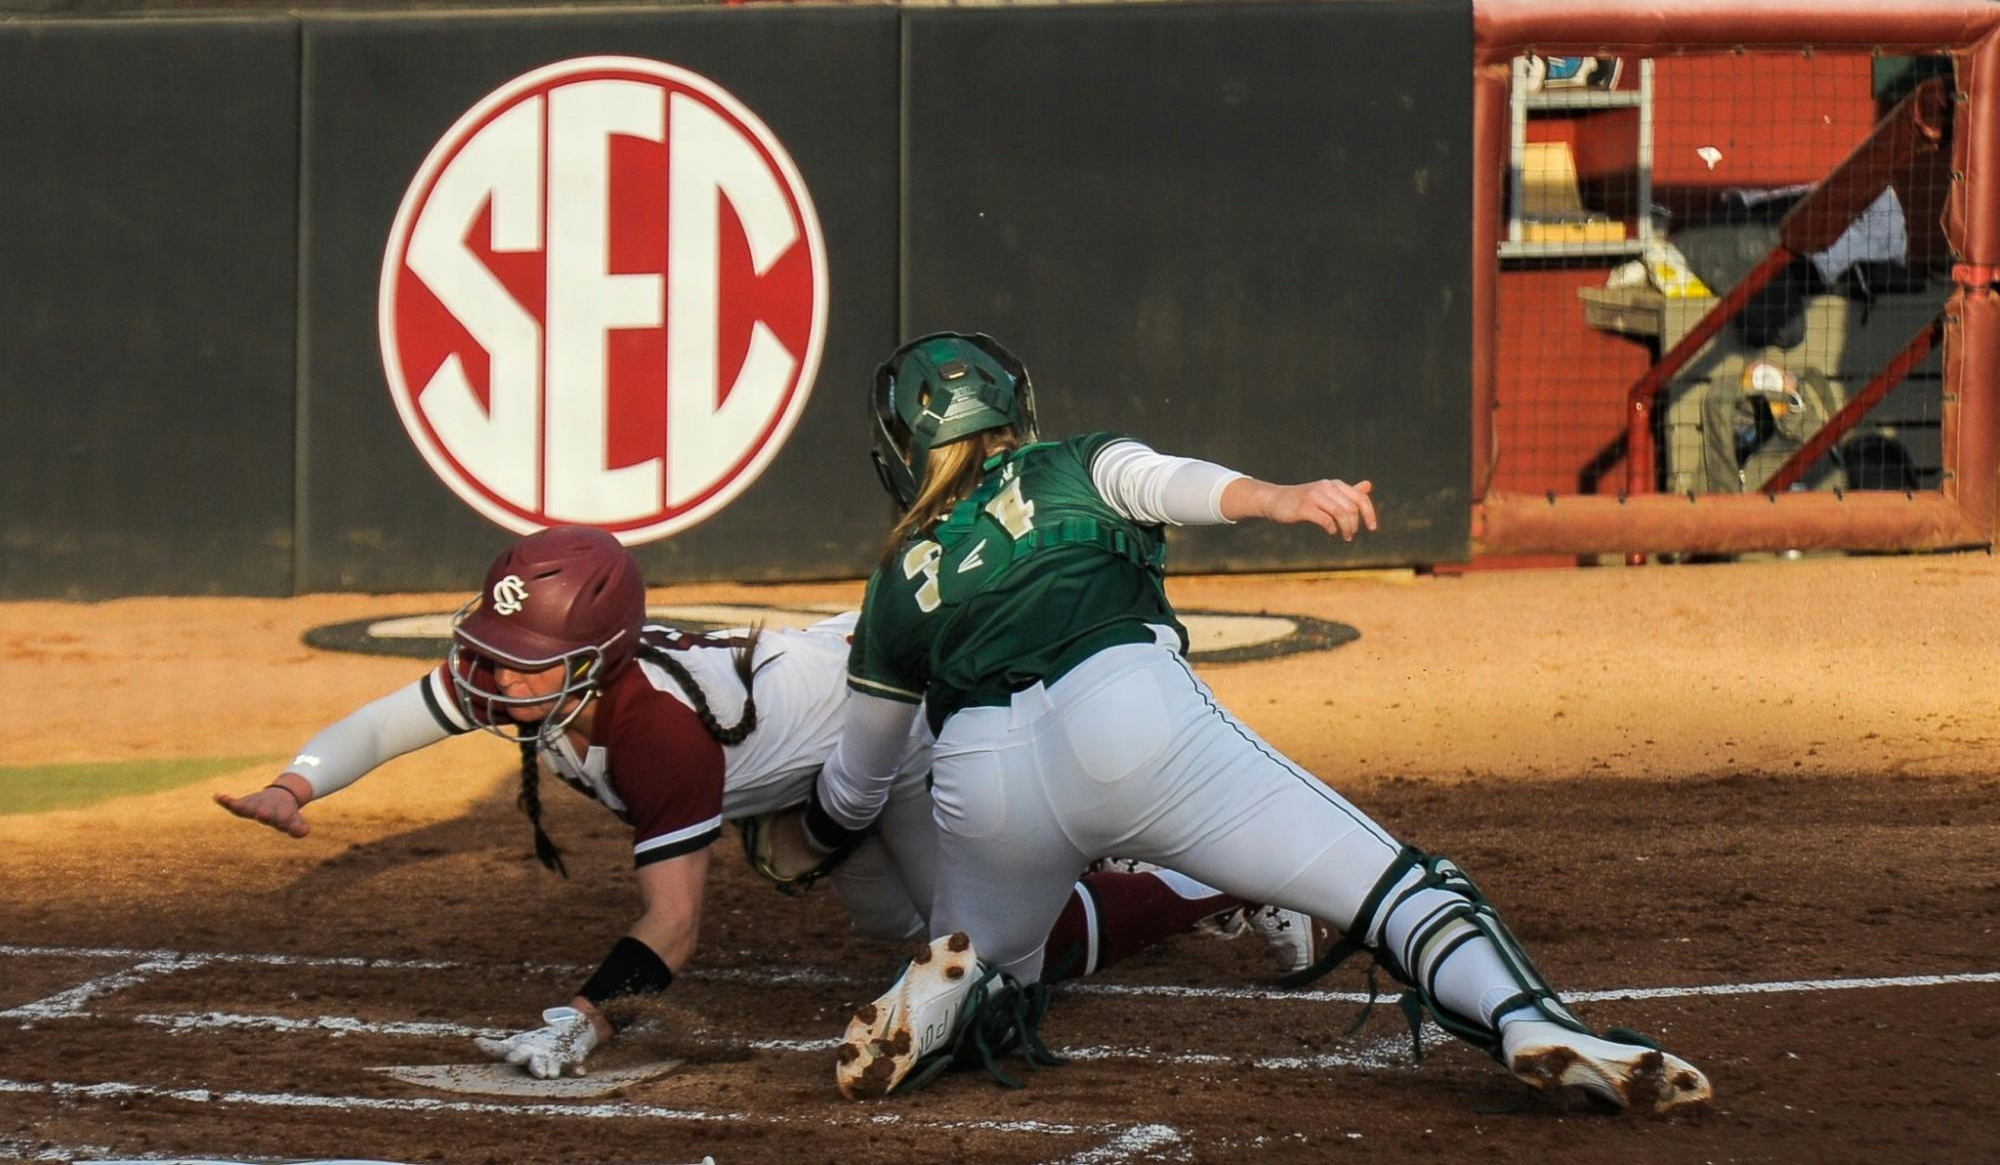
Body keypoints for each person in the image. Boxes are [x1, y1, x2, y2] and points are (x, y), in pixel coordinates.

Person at [807, 332, 1713, 1114]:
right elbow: (1171, 483)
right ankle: (1528, 1022)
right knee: (1406, 890)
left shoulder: (894, 581)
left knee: (995, 967)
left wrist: (799, 834)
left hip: (983, 777)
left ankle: (945, 995)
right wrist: (1282, 497)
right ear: (1019, 408)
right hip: (1126, 712)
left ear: (895, 452)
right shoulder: (1068, 463)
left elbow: (858, 785)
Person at [216, 526, 1317, 1079]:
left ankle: (1214, 876)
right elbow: (391, 717)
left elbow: (674, 922)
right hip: (829, 747)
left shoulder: (655, 736)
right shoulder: (544, 685)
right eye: (494, 655)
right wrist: (294, 782)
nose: (494, 677)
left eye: (520, 663)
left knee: (989, 952)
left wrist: (586, 1016)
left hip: (910, 707)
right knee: (900, 929)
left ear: (595, 661)